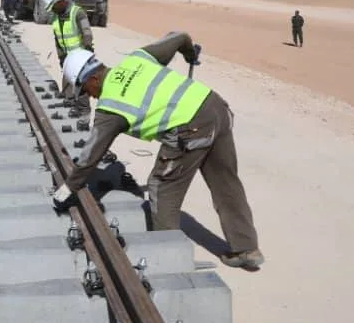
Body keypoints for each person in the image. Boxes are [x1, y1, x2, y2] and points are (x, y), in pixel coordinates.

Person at [51, 34, 264, 270]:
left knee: (162, 188)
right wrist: (189, 53)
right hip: (215, 108)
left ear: (93, 78)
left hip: (189, 129)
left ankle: (170, 261)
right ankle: (247, 249)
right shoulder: (136, 59)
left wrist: (68, 188)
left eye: (85, 90)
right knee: (225, 182)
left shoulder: (110, 106)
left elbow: (90, 155)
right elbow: (179, 37)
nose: (89, 96)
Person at [39, 0, 94, 116]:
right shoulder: (56, 18)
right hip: (68, 59)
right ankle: (70, 110)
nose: (52, 11)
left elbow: (87, 33)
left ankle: (84, 115)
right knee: (67, 89)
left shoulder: (77, 13)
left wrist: (86, 51)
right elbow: (58, 40)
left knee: (81, 88)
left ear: (59, 2)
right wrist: (61, 57)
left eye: (53, 7)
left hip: (80, 58)